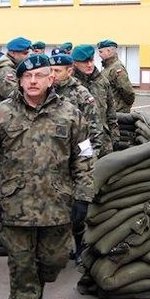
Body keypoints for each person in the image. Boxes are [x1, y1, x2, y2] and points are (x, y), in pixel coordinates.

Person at [0, 53, 95, 299]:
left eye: (39, 75)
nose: (33, 81)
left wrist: (83, 196)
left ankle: (37, 288)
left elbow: (85, 156)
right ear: (19, 80)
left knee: (55, 260)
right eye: (27, 76)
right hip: (16, 205)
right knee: (21, 262)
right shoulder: (0, 114)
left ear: (51, 78)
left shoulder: (70, 114)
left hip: (57, 204)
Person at [50, 52, 103, 262]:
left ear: (69, 71)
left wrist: (87, 163)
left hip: (75, 163)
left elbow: (94, 134)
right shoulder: (47, 92)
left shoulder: (82, 95)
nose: (52, 75)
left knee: (77, 211)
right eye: (50, 70)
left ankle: (81, 248)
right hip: (52, 161)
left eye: (57, 71)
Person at [72, 44, 118, 157]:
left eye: (91, 60)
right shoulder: (70, 84)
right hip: (79, 144)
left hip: (104, 143)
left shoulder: (102, 82)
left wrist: (115, 138)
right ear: (75, 63)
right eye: (85, 62)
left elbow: (111, 113)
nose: (89, 65)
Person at [97, 39, 135, 113]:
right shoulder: (108, 67)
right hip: (110, 110)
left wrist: (123, 106)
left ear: (109, 51)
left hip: (117, 112)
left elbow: (127, 90)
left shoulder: (116, 68)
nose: (99, 54)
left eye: (101, 52)